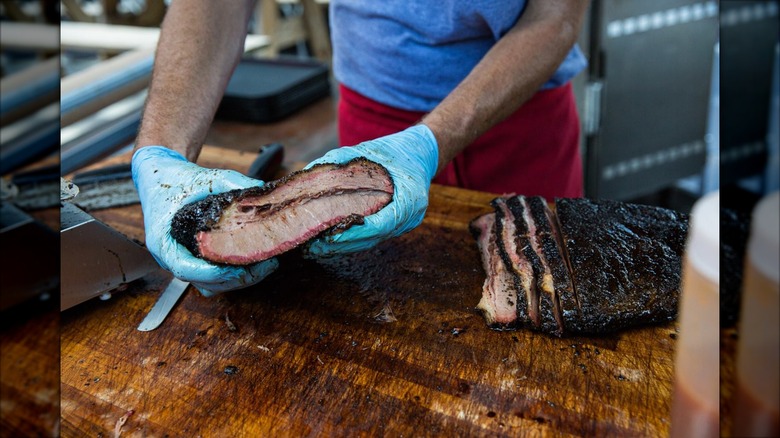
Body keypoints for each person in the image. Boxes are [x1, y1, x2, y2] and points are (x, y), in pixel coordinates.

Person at [131, 0, 590, 296]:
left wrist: (428, 142)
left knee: (546, 287)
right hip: (373, 118)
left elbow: (554, 17)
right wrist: (160, 152)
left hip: (517, 114)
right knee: (375, 286)